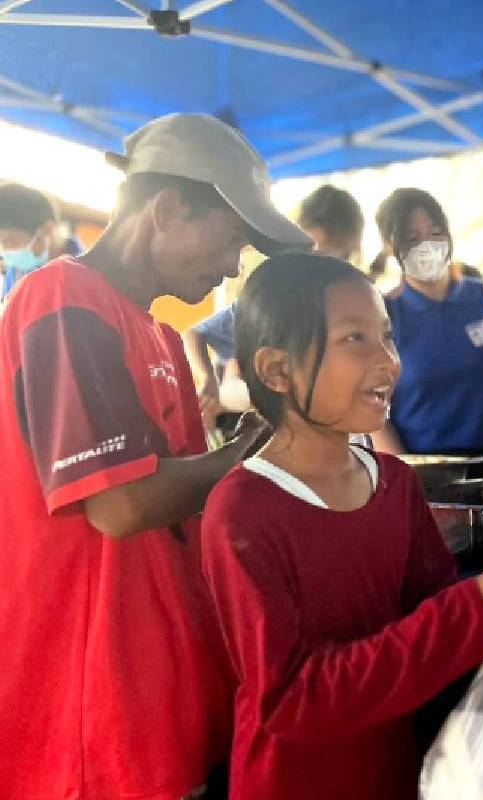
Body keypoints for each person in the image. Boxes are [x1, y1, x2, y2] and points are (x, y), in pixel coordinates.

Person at [0, 112, 307, 800]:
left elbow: (189, 511)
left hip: (158, 700)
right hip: (86, 722)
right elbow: (121, 502)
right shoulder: (60, 300)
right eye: (230, 240)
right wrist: (260, 449)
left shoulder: (161, 336)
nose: (233, 266)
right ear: (167, 209)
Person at [200, 253, 483, 800]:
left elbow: (429, 616)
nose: (388, 361)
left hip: (397, 774)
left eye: (388, 337)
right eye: (355, 339)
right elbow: (290, 700)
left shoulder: (395, 483)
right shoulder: (242, 513)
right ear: (277, 370)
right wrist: (471, 611)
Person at [372, 188, 483, 476]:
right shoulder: (385, 315)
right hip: (428, 469)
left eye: (435, 233)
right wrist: (405, 476)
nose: (427, 245)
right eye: (412, 238)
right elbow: (373, 410)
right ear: (389, 245)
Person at [184, 184, 364, 431]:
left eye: (331, 257)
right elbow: (195, 333)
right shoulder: (274, 297)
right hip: (256, 428)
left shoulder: (355, 308)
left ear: (348, 253)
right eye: (313, 255)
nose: (319, 268)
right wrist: (209, 381)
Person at [0, 181, 57, 300]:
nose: (5, 253)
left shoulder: (81, 279)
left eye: (11, 241)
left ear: (47, 231)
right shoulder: (15, 272)